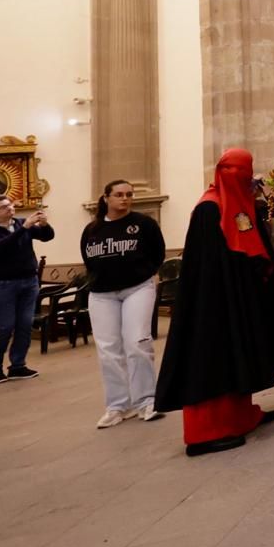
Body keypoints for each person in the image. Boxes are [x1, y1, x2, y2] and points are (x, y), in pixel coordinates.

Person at [154, 148, 274, 456]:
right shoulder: (208, 210)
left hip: (234, 298)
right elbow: (211, 268)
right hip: (212, 305)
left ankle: (240, 414)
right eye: (241, 175)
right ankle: (204, 433)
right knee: (212, 357)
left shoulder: (234, 203)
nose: (245, 180)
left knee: (239, 352)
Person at [81, 179, 168, 427]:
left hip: (137, 288)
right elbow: (88, 259)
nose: (125, 198)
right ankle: (118, 405)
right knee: (108, 350)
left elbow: (158, 253)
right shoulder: (92, 229)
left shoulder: (143, 224)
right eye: (119, 194)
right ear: (106, 197)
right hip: (101, 293)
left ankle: (146, 401)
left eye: (129, 194)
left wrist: (146, 273)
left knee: (138, 342)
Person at [0, 194, 53, 385]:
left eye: (10, 205)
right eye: (3, 207)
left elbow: (47, 237)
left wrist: (44, 225)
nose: (9, 209)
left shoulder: (20, 224)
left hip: (28, 282)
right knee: (5, 327)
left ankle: (18, 366)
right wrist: (24, 229)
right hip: (1, 285)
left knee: (25, 325)